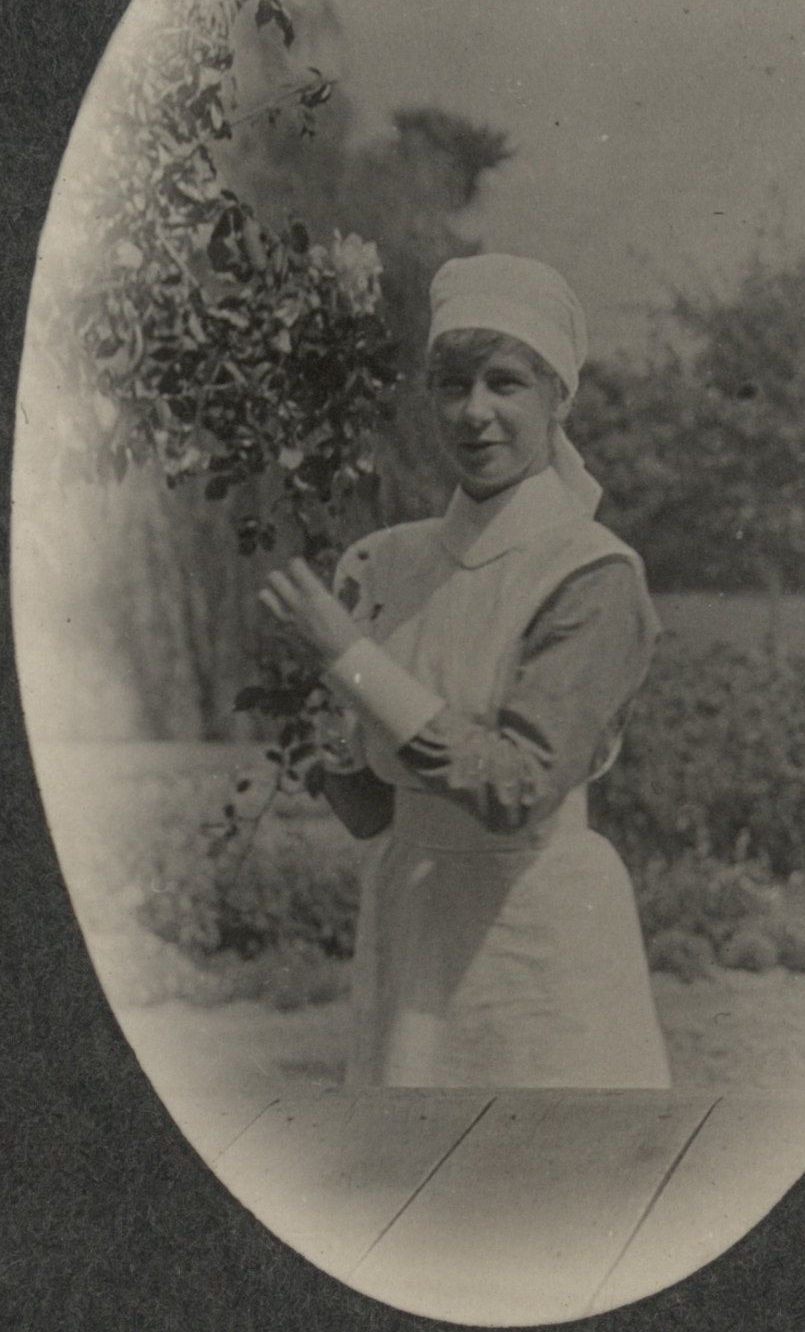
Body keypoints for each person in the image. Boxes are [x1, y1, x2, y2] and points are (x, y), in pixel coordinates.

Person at [260, 254, 670, 1089]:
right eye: (452, 384)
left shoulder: (590, 573)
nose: (474, 413)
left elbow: (515, 787)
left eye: (505, 383)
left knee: (549, 1194)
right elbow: (373, 810)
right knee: (409, 1196)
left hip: (538, 932)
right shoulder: (386, 562)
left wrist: (349, 660)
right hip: (413, 925)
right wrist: (325, 723)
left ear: (558, 397)